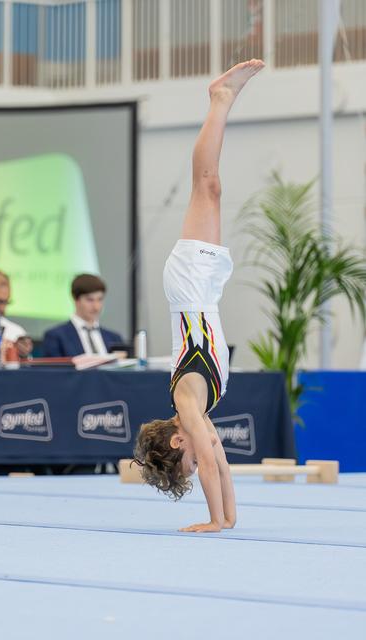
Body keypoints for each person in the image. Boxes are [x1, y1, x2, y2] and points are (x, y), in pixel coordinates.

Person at [134, 59, 265, 533]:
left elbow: (209, 464)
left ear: (175, 442)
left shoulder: (188, 401)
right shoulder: (200, 415)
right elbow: (222, 465)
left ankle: (220, 99)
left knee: (206, 186)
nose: (198, 462)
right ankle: (221, 101)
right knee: (211, 189)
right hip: (201, 292)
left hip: (190, 290)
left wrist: (211, 521)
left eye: (186, 464)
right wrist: (228, 519)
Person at [42, 273, 123, 357]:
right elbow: (55, 369)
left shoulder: (114, 338)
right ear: (75, 299)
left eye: (100, 299)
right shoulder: (56, 337)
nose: (96, 307)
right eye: (90, 300)